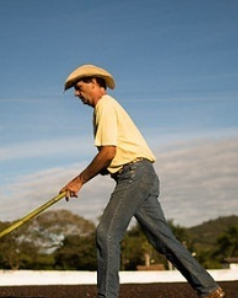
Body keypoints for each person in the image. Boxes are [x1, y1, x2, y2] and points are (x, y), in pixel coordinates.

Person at [60, 64, 225, 298]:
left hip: (134, 175)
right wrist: (105, 171)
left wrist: (78, 181)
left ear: (95, 83)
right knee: (163, 240)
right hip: (142, 174)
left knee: (106, 233)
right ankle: (209, 289)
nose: (77, 94)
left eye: (79, 88)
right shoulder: (108, 107)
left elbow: (108, 152)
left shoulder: (104, 106)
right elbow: (113, 156)